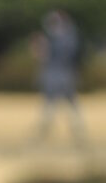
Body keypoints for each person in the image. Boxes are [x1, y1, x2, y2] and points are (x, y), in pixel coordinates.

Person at [36, 8, 87, 142]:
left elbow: (47, 56)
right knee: (69, 104)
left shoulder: (58, 38)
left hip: (57, 75)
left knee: (53, 104)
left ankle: (45, 131)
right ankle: (78, 131)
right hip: (66, 75)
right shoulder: (71, 36)